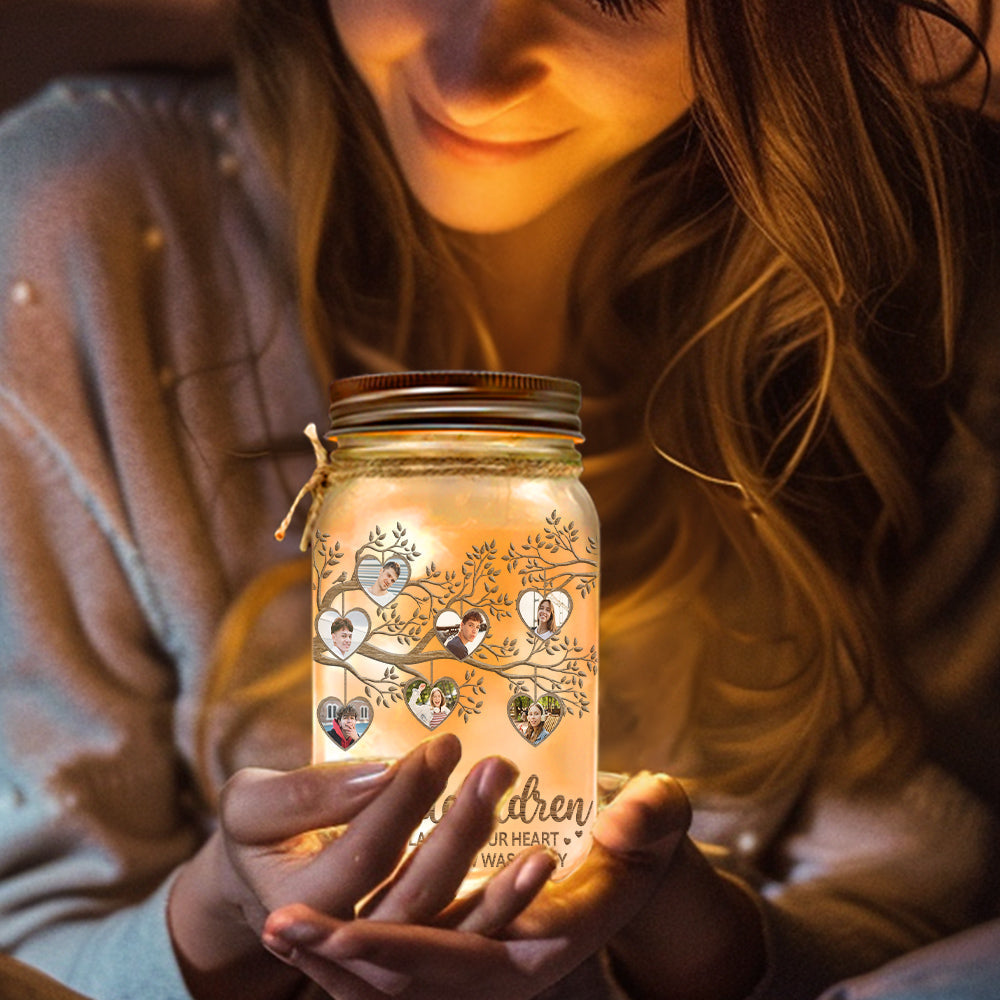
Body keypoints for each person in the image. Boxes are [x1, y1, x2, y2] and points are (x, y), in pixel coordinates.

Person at [3, 3, 1000, 1000]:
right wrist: (217, 919)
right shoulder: (85, 230)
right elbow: (25, 936)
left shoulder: (902, 275)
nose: (471, 78)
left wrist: (695, 941)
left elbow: (935, 899)